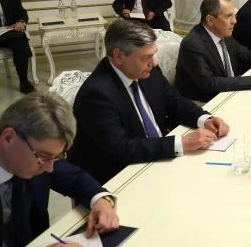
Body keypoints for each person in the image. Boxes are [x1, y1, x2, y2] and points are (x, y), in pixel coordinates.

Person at [0, 93, 120, 247]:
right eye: (43, 157)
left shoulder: (31, 156)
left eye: (56, 157)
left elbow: (75, 178)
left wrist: (102, 201)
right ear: (8, 137)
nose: (49, 168)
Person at [69, 20, 229, 183]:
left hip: (158, 158)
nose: (154, 62)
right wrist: (181, 143)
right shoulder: (96, 94)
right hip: (121, 176)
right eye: (146, 57)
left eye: (154, 54)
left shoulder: (147, 69)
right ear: (118, 56)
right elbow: (121, 149)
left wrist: (204, 119)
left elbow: (174, 101)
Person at [175, 0, 251, 102]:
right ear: (210, 20)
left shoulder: (223, 33)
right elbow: (210, 84)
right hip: (204, 103)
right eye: (228, 16)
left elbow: (246, 54)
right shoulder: (193, 44)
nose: (234, 21)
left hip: (229, 93)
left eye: (234, 15)